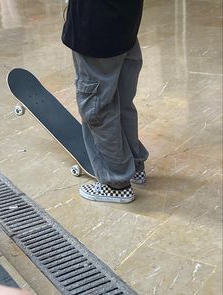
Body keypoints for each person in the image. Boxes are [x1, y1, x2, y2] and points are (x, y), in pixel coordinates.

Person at [62, 0, 149, 203]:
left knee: (98, 108)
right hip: (124, 23)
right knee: (121, 100)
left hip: (96, 28)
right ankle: (133, 165)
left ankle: (115, 182)